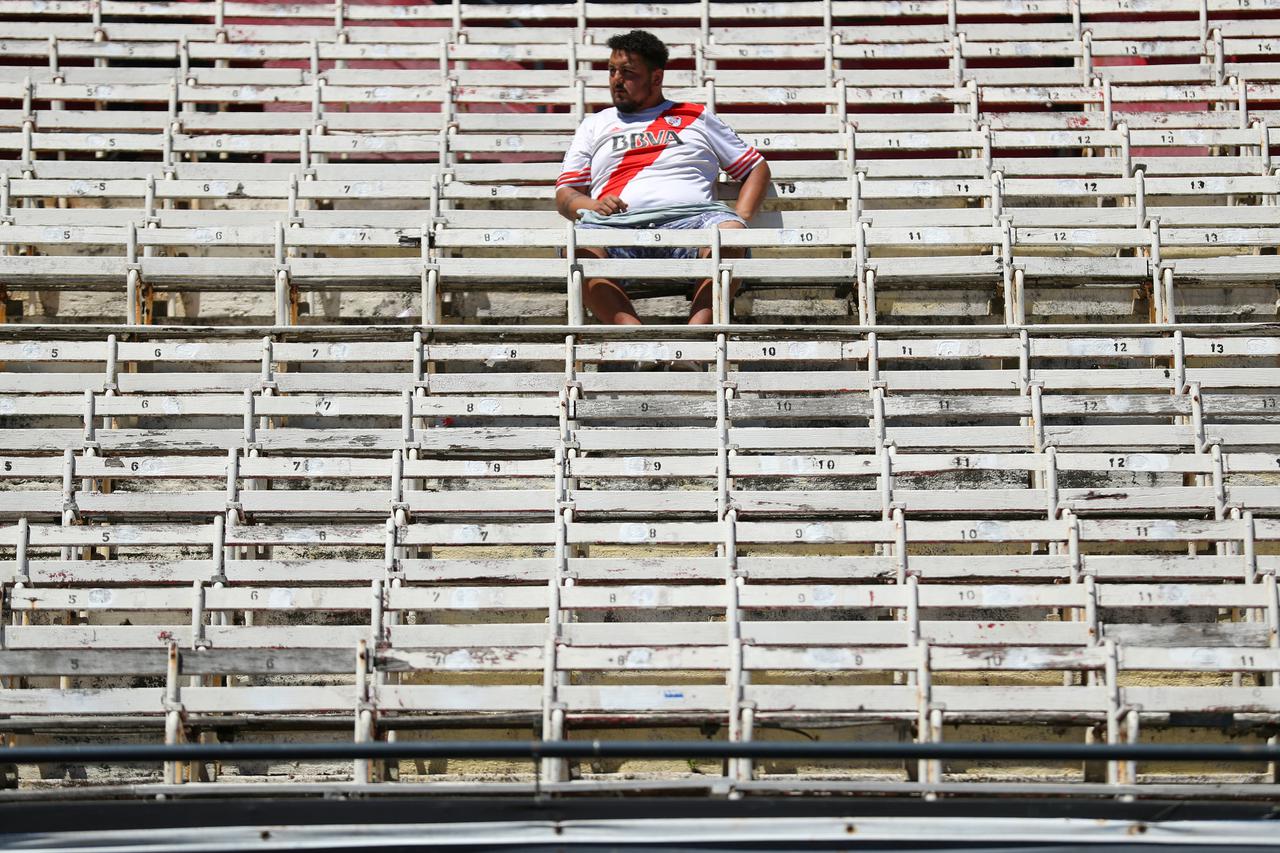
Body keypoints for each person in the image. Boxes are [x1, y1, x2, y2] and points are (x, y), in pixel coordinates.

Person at [554, 29, 771, 325]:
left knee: (731, 233)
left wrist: (740, 217)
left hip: (693, 222)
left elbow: (755, 167)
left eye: (628, 72)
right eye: (612, 71)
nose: (616, 80)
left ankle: (696, 336)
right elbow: (566, 193)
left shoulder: (695, 116)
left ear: (656, 78)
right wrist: (592, 206)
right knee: (577, 248)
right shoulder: (595, 124)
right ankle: (635, 340)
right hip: (617, 225)